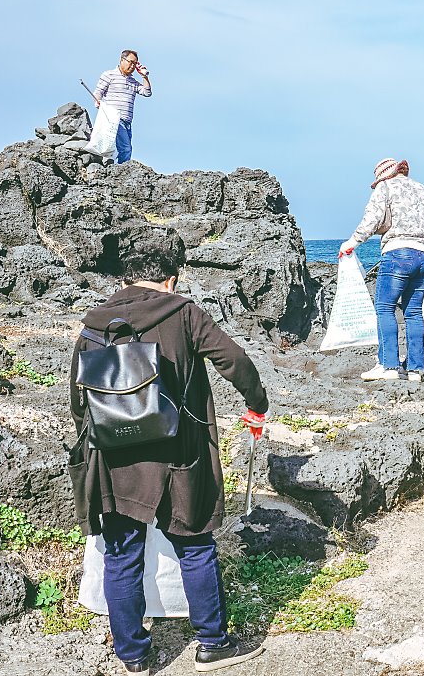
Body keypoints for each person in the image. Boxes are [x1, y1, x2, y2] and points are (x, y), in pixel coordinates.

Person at [67, 233, 265, 674]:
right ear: (171, 279)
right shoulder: (184, 314)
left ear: (125, 278)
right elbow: (235, 360)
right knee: (195, 546)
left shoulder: (94, 324)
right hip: (180, 456)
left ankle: (134, 655)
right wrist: (256, 404)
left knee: (121, 555)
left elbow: (79, 401)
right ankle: (212, 644)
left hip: (115, 461)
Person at [339, 158, 424, 382]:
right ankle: (416, 370)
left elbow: (372, 219)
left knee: (385, 308)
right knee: (414, 312)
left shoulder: (384, 187)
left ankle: (389, 367)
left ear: (384, 176)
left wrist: (351, 243)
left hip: (398, 251)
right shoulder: (423, 190)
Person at [93, 49, 152, 164]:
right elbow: (98, 92)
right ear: (122, 60)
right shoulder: (109, 75)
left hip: (127, 121)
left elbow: (147, 92)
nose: (132, 66)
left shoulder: (133, 82)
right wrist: (98, 101)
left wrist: (144, 76)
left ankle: (117, 172)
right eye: (130, 62)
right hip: (114, 118)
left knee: (122, 149)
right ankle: (122, 172)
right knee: (126, 149)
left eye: (135, 64)